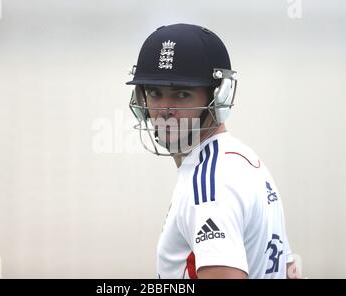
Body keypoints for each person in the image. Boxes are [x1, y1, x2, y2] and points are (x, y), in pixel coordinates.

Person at [126, 23, 295, 279]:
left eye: (182, 94)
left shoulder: (208, 187)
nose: (164, 110)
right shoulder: (244, 161)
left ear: (219, 96)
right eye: (154, 93)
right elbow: (289, 269)